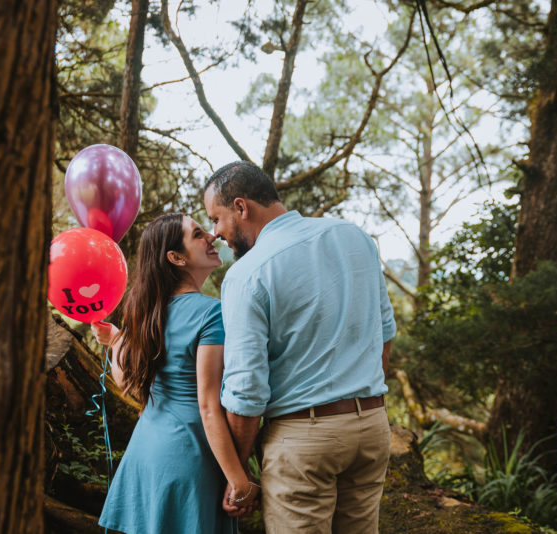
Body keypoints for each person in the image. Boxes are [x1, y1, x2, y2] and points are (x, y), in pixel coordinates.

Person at [203, 161, 397, 533]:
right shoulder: (354, 236)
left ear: (242, 207)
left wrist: (238, 472)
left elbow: (247, 390)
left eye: (217, 218)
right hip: (372, 426)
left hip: (303, 440)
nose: (216, 234)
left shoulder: (247, 274)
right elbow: (384, 335)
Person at [91, 213, 258, 534]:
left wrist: (115, 341)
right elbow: (208, 407)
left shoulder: (144, 310)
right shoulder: (212, 313)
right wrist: (240, 481)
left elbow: (127, 382)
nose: (211, 236)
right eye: (198, 234)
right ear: (176, 258)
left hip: (144, 456)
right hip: (189, 461)